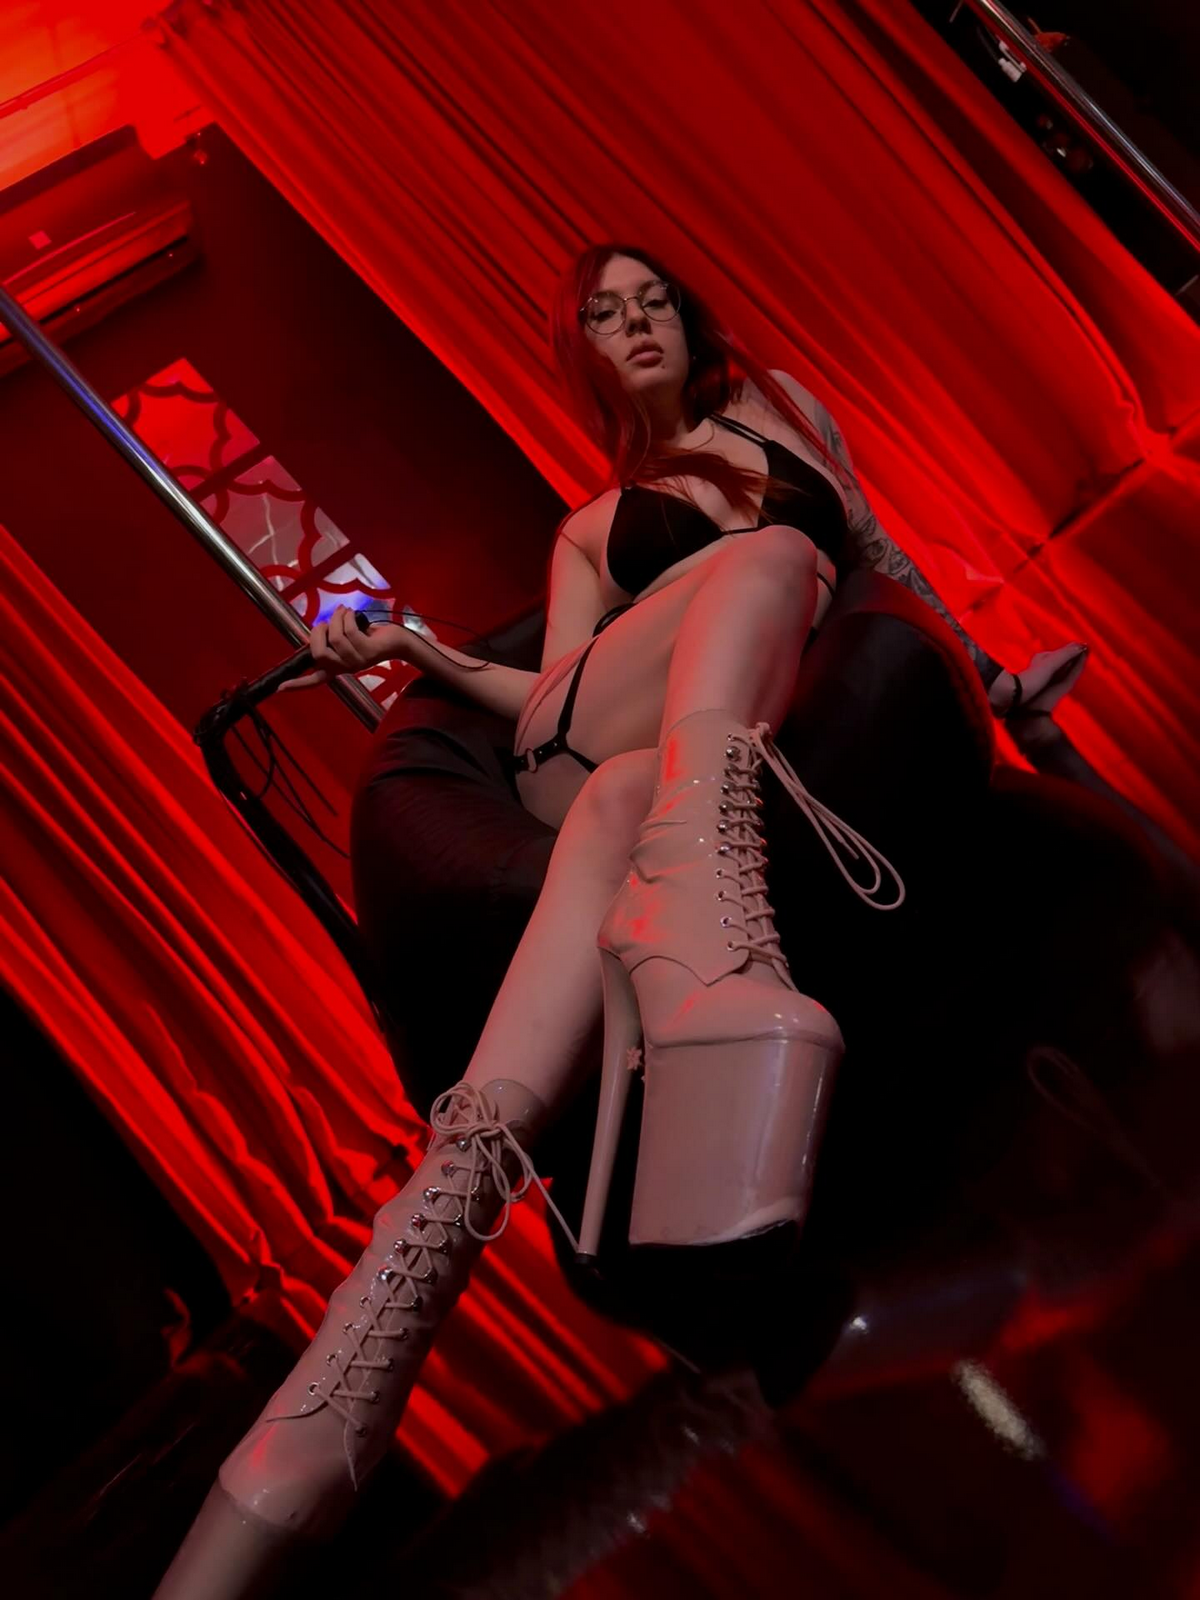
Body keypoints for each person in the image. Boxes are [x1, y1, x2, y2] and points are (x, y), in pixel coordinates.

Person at [154, 244, 1086, 1597]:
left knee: (645, 772)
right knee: (759, 573)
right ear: (584, 351)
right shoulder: (593, 529)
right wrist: (418, 650)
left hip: (671, 759)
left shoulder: (787, 406)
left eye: (653, 300)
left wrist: (995, 692)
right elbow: (547, 698)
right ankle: (708, 941)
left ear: (688, 321)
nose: (637, 321)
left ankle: (374, 1329)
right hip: (585, 732)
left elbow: (879, 555)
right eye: (607, 312)